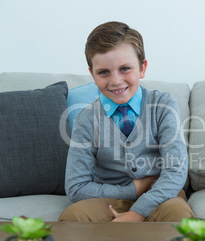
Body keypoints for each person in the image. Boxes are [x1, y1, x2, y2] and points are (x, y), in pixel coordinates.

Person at [59, 21, 194, 222]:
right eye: (104, 72)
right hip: (109, 198)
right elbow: (76, 188)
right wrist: (133, 190)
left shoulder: (162, 105)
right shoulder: (86, 120)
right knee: (74, 216)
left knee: (178, 215)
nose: (115, 81)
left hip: (161, 195)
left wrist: (137, 213)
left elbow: (176, 171)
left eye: (124, 69)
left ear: (142, 68)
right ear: (92, 75)